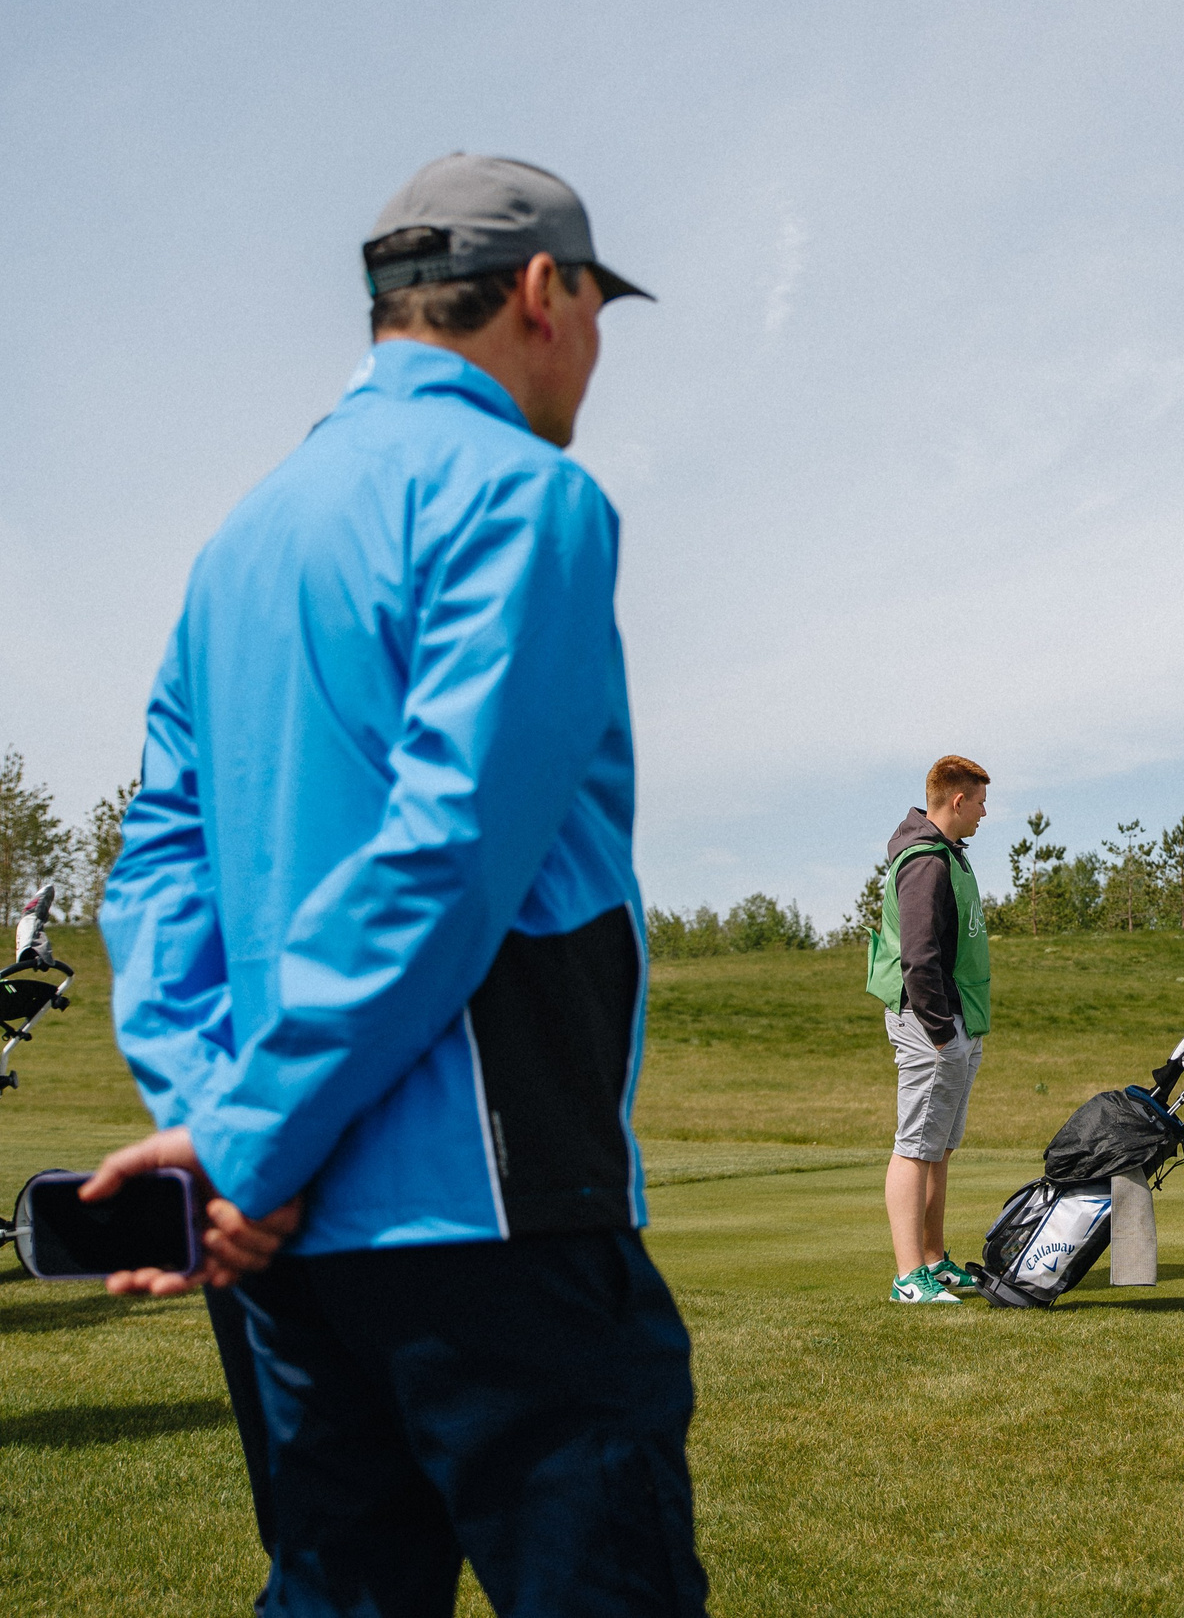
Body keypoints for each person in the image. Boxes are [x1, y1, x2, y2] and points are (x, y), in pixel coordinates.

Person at [88, 152, 708, 1615]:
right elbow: (448, 850)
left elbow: (156, 862)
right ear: (544, 291)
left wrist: (222, 1132)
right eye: (598, 308)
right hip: (489, 1208)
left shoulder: (240, 542)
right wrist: (250, 1140)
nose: (597, 347)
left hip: (281, 1242)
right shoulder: (528, 497)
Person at [864, 756, 993, 1304]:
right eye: (980, 802)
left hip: (954, 1021)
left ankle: (934, 1262)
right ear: (958, 801)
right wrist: (942, 1034)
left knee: (936, 1148)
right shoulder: (925, 863)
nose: (985, 812)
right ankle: (908, 1277)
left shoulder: (949, 856)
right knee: (915, 1146)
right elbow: (918, 958)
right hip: (930, 1023)